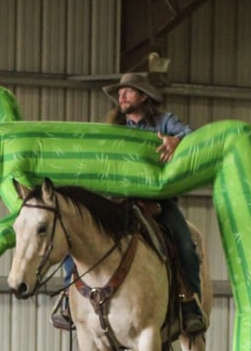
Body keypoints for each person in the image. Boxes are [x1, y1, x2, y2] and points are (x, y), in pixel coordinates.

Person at [51, 73, 207, 336]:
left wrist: (177, 140)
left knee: (185, 245)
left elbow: (195, 137)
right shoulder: (112, 128)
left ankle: (190, 303)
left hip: (157, 201)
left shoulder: (165, 122)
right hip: (116, 201)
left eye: (129, 91)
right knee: (74, 239)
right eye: (120, 92)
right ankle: (69, 299)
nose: (121, 96)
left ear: (143, 96)